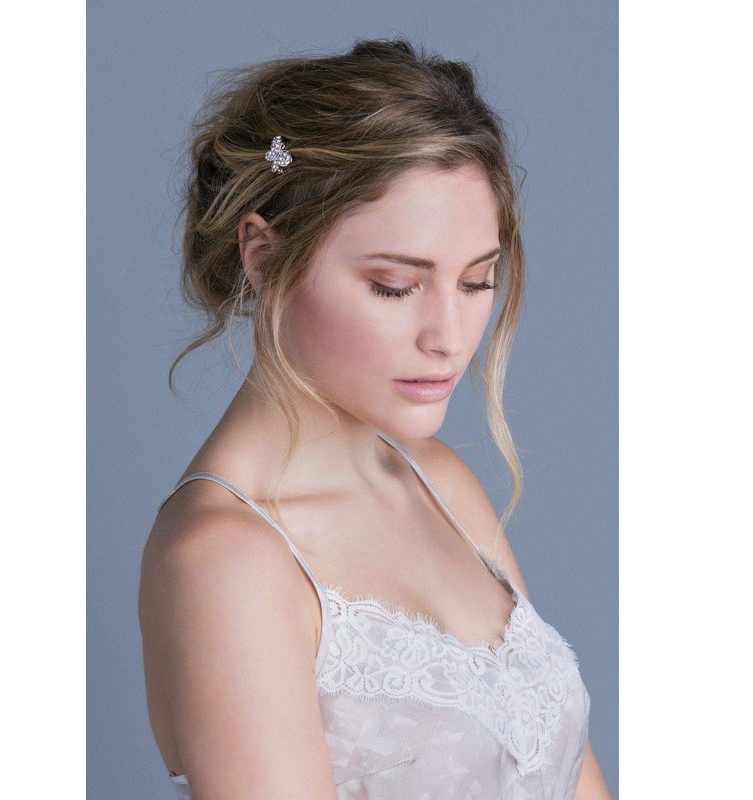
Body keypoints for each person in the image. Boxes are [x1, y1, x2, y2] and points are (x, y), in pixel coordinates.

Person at [138, 38, 611, 800]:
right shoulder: (225, 559)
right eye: (395, 286)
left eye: (477, 281)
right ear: (263, 257)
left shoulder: (442, 485)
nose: (449, 337)